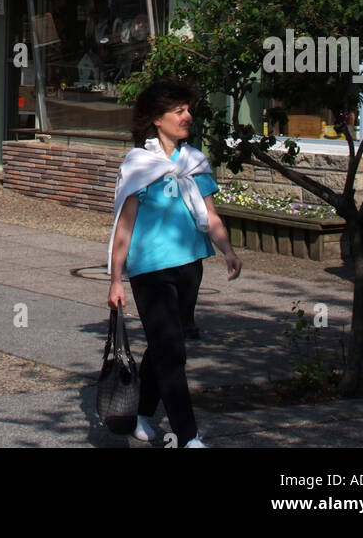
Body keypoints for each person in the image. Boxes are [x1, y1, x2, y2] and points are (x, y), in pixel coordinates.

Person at [107, 80, 241, 449]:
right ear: (156, 119)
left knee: (165, 344)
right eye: (179, 110)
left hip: (189, 264)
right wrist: (116, 279)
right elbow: (124, 225)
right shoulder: (138, 165)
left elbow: (210, 215)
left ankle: (142, 415)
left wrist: (228, 249)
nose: (188, 116)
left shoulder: (195, 162)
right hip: (149, 269)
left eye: (188, 109)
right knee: (172, 350)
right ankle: (188, 436)